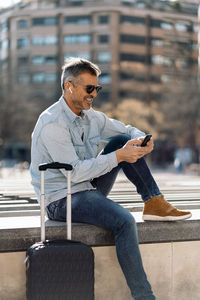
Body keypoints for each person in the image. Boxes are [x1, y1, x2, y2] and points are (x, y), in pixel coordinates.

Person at [30, 57, 192, 300]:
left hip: (86, 189)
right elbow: (74, 173)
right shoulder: (52, 123)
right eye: (89, 88)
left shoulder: (91, 117)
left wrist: (140, 140)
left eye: (97, 88)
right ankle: (144, 296)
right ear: (69, 86)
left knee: (120, 141)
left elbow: (125, 130)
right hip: (61, 198)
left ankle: (154, 201)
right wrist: (119, 156)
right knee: (125, 220)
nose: (94, 94)